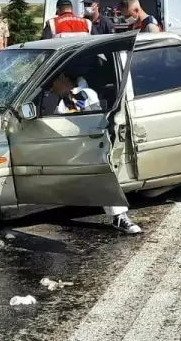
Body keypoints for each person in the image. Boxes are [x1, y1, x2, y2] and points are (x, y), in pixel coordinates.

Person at [39, 69, 142, 235]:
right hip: (66, 147)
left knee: (100, 169)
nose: (51, 88)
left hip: (89, 146)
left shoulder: (86, 94)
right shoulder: (58, 100)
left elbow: (94, 122)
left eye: (53, 83)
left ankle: (119, 216)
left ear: (63, 78)